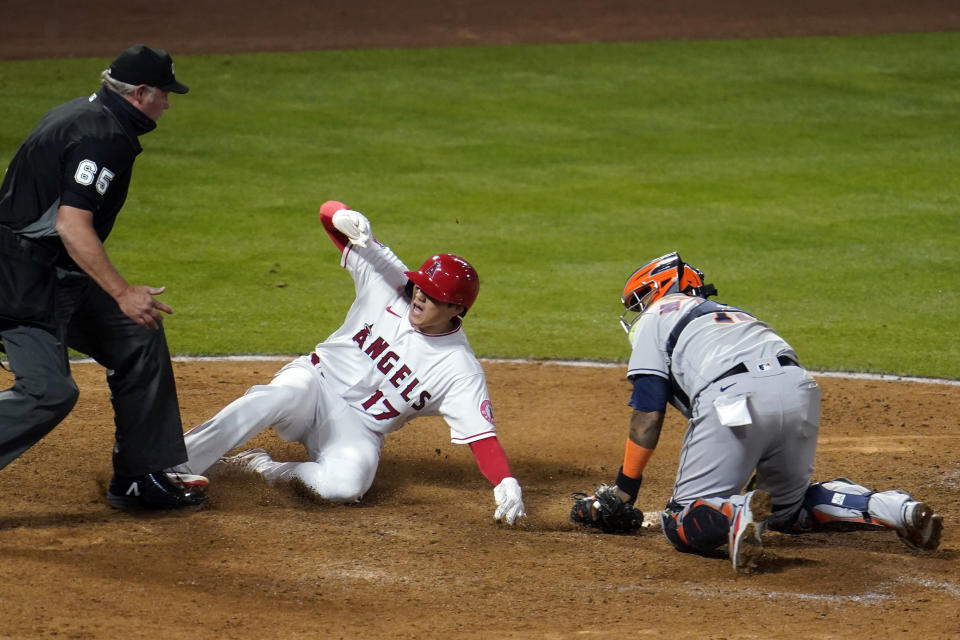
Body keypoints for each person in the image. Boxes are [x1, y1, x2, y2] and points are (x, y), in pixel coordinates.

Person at [570, 251, 943, 572]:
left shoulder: (658, 317)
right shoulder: (734, 314)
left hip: (733, 398)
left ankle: (734, 512)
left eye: (640, 300)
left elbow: (648, 413)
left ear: (661, 289)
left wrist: (624, 491)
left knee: (679, 521)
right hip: (801, 391)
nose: (640, 312)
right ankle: (894, 508)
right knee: (786, 510)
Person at [170, 201, 526, 524]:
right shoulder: (390, 282)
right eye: (420, 286)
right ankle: (173, 465)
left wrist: (504, 480)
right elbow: (330, 220)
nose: (419, 295)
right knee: (271, 398)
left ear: (456, 310)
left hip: (358, 429)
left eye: (433, 296)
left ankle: (260, 467)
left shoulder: (458, 369)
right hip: (314, 383)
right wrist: (339, 214)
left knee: (344, 487)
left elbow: (483, 438)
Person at [0, 44, 207, 510]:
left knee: (138, 332)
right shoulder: (102, 136)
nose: (168, 103)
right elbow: (71, 224)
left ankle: (138, 477)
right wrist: (120, 291)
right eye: (164, 94)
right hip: (23, 280)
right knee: (48, 393)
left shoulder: (84, 114)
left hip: (51, 271)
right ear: (139, 93)